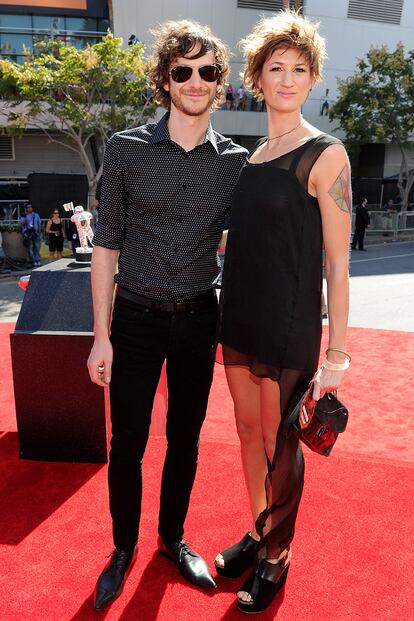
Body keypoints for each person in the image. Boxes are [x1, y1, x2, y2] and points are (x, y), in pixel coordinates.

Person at [87, 19, 247, 611]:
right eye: (184, 71)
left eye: (208, 71)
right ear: (166, 80)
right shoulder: (125, 148)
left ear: (220, 81)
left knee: (185, 439)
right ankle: (122, 548)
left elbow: (256, 242)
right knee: (126, 442)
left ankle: (171, 538)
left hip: (199, 317)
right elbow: (105, 248)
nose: (196, 80)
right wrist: (100, 337)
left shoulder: (235, 162)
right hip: (133, 317)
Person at [215, 11, 351, 613]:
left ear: (313, 78)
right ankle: (258, 526)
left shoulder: (327, 155)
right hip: (240, 312)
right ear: (257, 78)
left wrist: (338, 352)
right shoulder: (252, 154)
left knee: (280, 442)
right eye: (276, 69)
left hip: (290, 320)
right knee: (246, 432)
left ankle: (277, 554)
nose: (288, 79)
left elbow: (338, 265)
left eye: (299, 69)